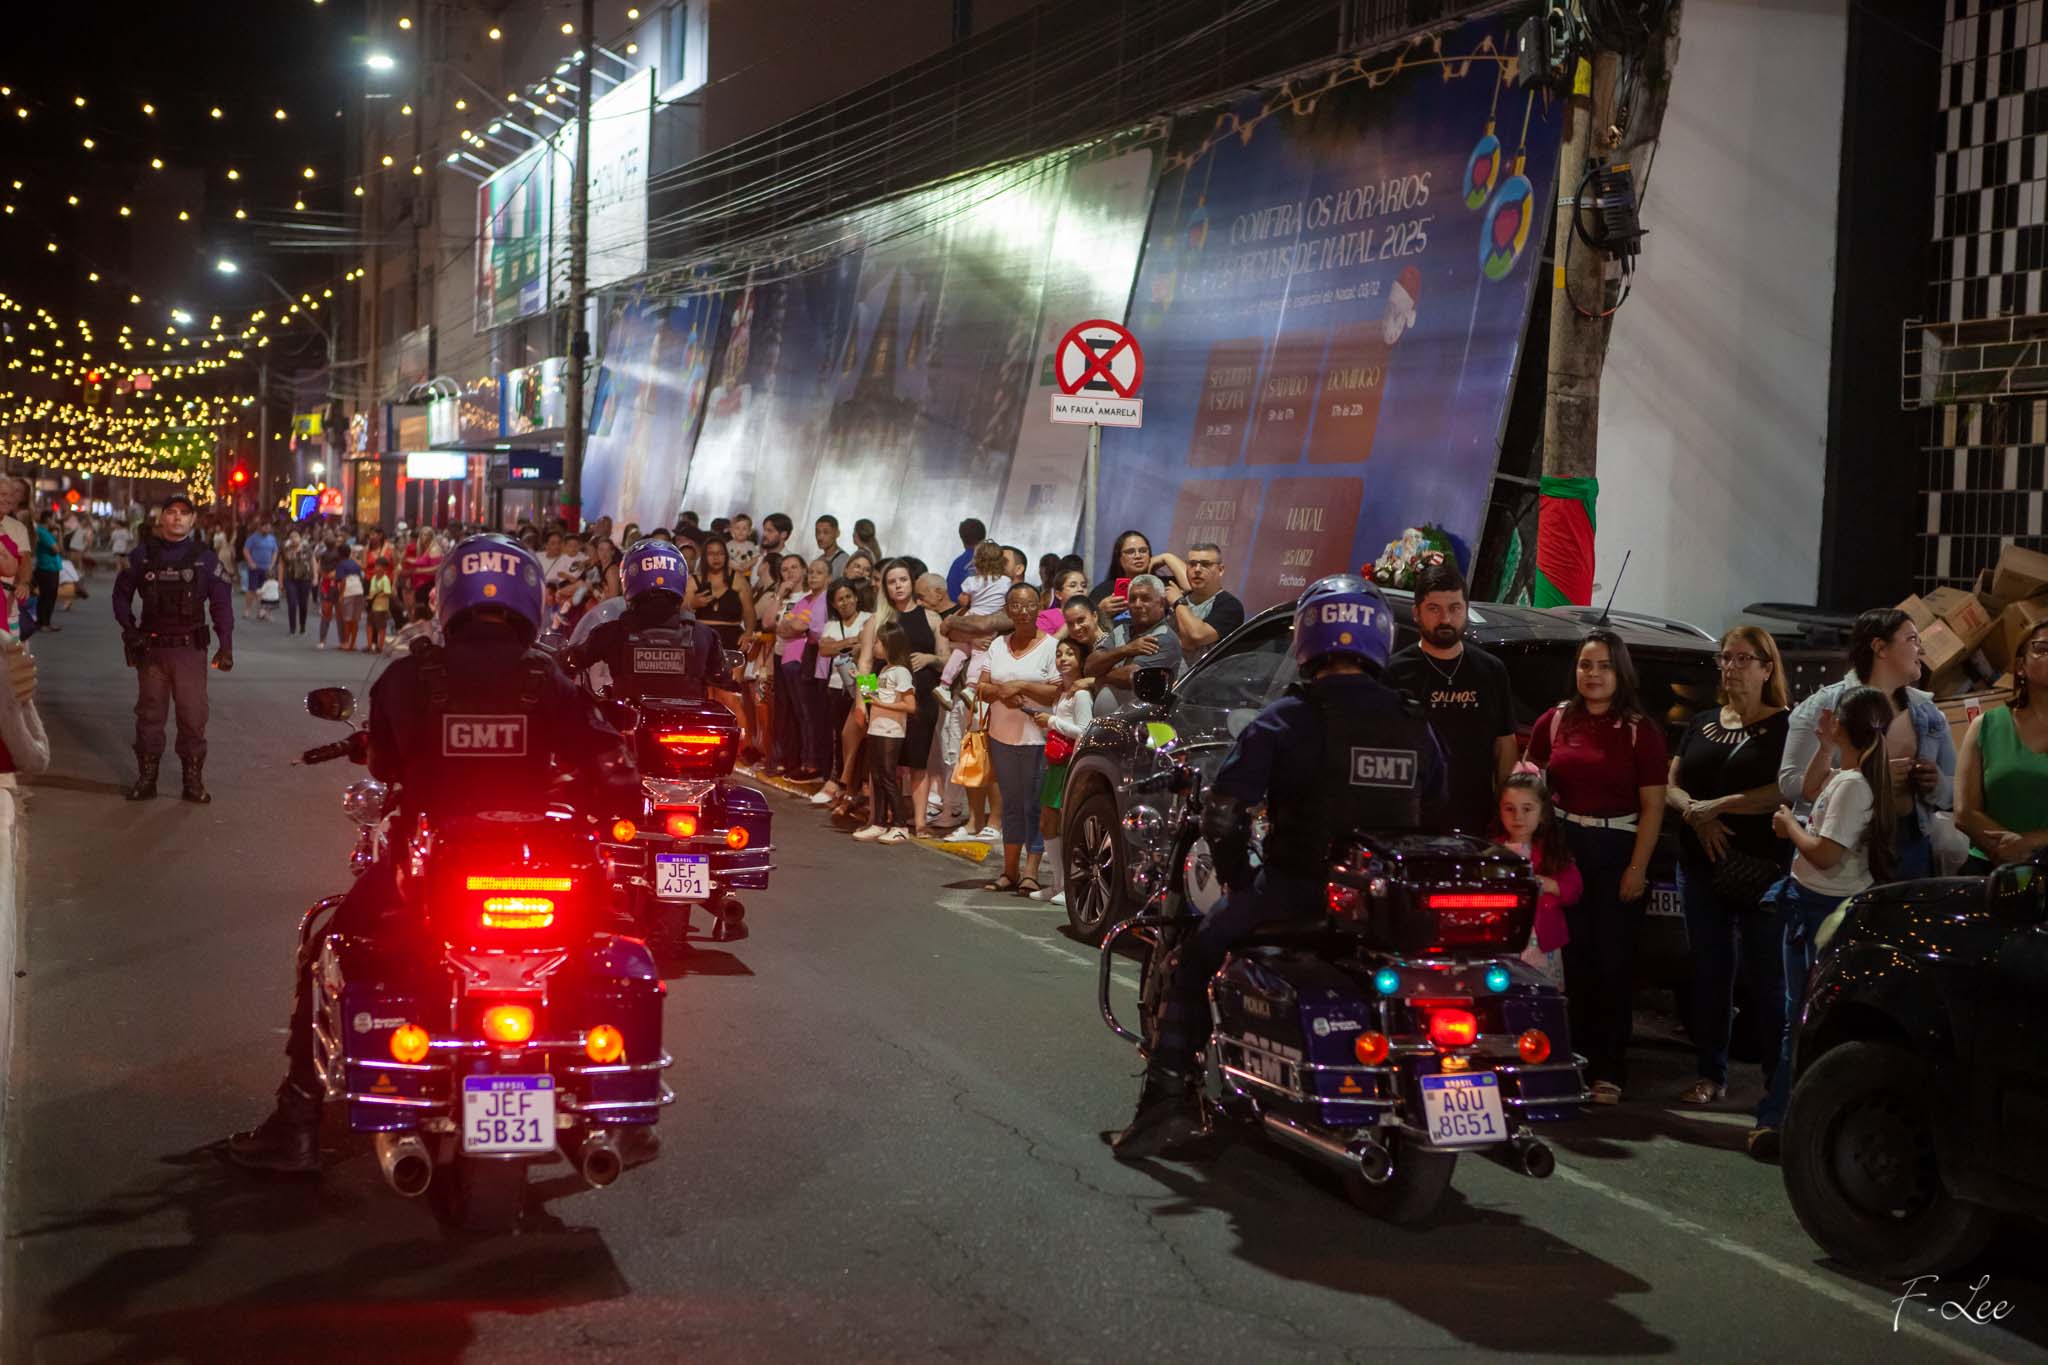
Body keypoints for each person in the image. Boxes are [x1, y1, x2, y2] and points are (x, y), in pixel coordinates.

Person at [228, 535, 637, 1172]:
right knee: (611, 945)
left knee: (326, 940)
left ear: (448, 597)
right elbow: (610, 764)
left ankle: (299, 1121)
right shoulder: (550, 679)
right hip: (542, 873)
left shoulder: (411, 676)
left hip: (425, 867)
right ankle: (621, 1112)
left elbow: (385, 764)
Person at [1114, 574, 1448, 1158]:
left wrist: (1240, 882)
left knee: (1197, 953)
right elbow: (1440, 802)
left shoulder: (1289, 717)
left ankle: (1166, 1103)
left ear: (1307, 638)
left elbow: (1223, 815)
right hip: (1387, 902)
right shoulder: (1412, 719)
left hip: (1300, 888)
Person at [1750, 686, 1897, 1161]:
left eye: (1834, 718)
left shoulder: (1855, 786)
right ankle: (1784, 1114)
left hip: (1824, 910)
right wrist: (1824, 745)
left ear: (1847, 726)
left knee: (1801, 1019)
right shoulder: (1846, 775)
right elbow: (1811, 789)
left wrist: (1789, 827)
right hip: (1808, 901)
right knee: (1796, 1014)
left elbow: (1827, 854)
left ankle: (1782, 1119)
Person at [1524, 629, 1669, 1105]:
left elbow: (1653, 807)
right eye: (1586, 665)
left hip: (1617, 851)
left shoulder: (1640, 732)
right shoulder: (1555, 720)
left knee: (1612, 963)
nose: (1593, 674)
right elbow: (1526, 785)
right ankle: (1571, 1063)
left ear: (1621, 672)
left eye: (1604, 666)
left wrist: (1637, 868)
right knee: (1571, 961)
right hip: (1565, 851)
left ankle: (1609, 1069)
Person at [1664, 626, 1792, 1105]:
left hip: (1761, 870)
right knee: (1709, 974)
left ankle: (1777, 1085)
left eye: (1743, 659)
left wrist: (1718, 806)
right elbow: (1672, 784)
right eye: (1725, 658)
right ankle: (1710, 1074)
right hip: (1700, 868)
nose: (1731, 668)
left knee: (1766, 980)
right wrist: (1697, 816)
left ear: (1766, 668)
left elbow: (1783, 791)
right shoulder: (1701, 722)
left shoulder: (1785, 727)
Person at [1778, 608, 1950, 878]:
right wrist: (1870, 777)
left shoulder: (1929, 715)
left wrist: (1936, 783)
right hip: (1842, 846)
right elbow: (1790, 783)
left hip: (1910, 844)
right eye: (1912, 639)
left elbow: (1954, 791)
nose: (1922, 649)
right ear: (1880, 647)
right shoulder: (1824, 707)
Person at [112, 494, 235, 802]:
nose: (177, 517)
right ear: (161, 517)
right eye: (171, 512)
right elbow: (120, 594)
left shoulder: (205, 559)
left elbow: (222, 603)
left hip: (189, 651)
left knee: (193, 717)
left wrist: (226, 645)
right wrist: (129, 628)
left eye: (184, 513)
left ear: (192, 520)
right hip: (152, 650)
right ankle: (147, 779)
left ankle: (192, 782)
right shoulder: (142, 555)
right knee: (149, 716)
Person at [1384, 561, 1517, 834]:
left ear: (1466, 609)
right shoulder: (1393, 673)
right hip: (1411, 824)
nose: (1445, 619)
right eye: (1434, 608)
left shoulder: (1491, 671)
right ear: (1417, 613)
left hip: (1477, 825)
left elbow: (1505, 746)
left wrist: (1506, 814)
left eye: (1455, 608)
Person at [975, 583, 1062, 893]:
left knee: (1035, 805)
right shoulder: (998, 645)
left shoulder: (1051, 646)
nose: (1023, 611)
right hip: (1001, 736)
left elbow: (1057, 691)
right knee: (1010, 803)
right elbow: (981, 687)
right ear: (1007, 610)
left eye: (1029, 605)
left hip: (1038, 738)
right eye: (1016, 605)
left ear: (1039, 607)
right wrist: (1002, 692)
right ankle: (1009, 870)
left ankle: (1031, 871)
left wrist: (1021, 686)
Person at [563, 538, 725, 698]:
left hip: (627, 715)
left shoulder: (612, 632)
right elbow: (723, 678)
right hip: (687, 715)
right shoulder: (704, 635)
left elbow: (571, 661)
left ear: (630, 576)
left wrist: (556, 658)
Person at [859, 564, 951, 837]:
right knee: (881, 760)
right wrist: (864, 699)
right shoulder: (877, 620)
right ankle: (878, 818)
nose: (898, 585)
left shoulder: (931, 617)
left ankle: (919, 821)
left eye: (903, 580)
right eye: (891, 581)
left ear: (912, 583)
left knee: (917, 760)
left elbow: (947, 658)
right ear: (884, 587)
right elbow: (865, 662)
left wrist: (931, 658)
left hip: (921, 697)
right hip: (884, 698)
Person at [1955, 617, 2048, 868]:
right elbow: (1965, 812)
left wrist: (2028, 843)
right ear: (2021, 666)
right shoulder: (1986, 726)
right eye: (2042, 648)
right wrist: (2008, 849)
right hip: (1993, 866)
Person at [1496, 768, 1579, 984]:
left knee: (1541, 991)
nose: (1518, 817)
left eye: (1527, 809)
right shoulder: (1492, 852)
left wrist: (1551, 885)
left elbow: (1574, 888)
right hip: (1501, 939)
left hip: (1541, 945)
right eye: (1509, 809)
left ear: (1542, 813)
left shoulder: (1552, 852)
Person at [1034, 637, 1095, 905]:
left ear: (1081, 661)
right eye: (1059, 654)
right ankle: (1058, 883)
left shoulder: (1081, 695)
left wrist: (1052, 721)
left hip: (1071, 763)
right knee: (1048, 822)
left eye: (1070, 654)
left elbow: (1084, 730)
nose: (1063, 659)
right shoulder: (1061, 692)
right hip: (1056, 762)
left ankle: (1069, 886)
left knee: (1064, 823)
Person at [853, 623, 917, 844]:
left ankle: (900, 825)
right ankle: (879, 822)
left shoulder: (901, 672)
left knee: (888, 777)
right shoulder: (884, 669)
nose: (875, 646)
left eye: (878, 642)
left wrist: (880, 703)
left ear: (890, 644)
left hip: (891, 730)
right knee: (877, 776)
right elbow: (873, 696)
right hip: (876, 728)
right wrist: (861, 679)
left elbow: (910, 705)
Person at [814, 578, 873, 815]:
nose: (845, 602)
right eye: (840, 599)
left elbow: (866, 646)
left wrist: (839, 644)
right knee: (843, 738)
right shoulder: (832, 624)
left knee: (867, 738)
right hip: (838, 685)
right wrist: (852, 641)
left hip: (867, 682)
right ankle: (845, 787)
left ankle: (864, 788)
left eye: (848, 596)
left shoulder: (868, 618)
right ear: (833, 604)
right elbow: (823, 649)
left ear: (856, 597)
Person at [1083, 574, 1184, 712]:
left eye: (1145, 599)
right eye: (1132, 599)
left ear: (1161, 603)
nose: (1137, 604)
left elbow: (1132, 676)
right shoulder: (1120, 630)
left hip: (1142, 721)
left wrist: (1101, 676)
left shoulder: (1164, 637)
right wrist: (1126, 649)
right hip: (1107, 720)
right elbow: (1090, 667)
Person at [934, 541, 1011, 709]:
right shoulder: (1005, 582)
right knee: (979, 655)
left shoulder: (971, 581)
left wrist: (969, 600)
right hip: (988, 621)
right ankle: (970, 687)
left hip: (970, 617)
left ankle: (944, 684)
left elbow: (962, 600)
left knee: (960, 652)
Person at [1152, 542, 1245, 661]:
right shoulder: (1175, 597)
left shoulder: (1230, 605)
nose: (1197, 570)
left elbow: (1196, 636)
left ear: (1220, 570)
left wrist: (1178, 602)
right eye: (1192, 564)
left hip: (1202, 673)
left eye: (1205, 564)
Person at [1088, 529, 1154, 615]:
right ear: (1119, 558)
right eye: (1130, 552)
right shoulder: (1103, 592)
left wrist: (1166, 558)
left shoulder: (1161, 586)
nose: (1138, 556)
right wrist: (1100, 611)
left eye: (1143, 551)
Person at [30, 511, 63, 635]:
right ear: (48, 519)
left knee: (51, 596)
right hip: (46, 568)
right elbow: (56, 549)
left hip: (52, 567)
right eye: (53, 519)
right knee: (46, 597)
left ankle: (47, 622)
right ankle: (42, 623)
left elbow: (60, 548)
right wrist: (58, 533)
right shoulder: (42, 532)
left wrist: (59, 532)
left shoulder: (47, 533)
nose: (55, 522)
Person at [240, 520, 278, 622]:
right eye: (265, 526)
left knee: (265, 591)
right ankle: (247, 609)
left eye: (269, 527)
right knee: (252, 589)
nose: (267, 528)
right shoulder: (253, 538)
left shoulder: (272, 539)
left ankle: (262, 611)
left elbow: (275, 551)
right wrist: (250, 562)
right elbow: (246, 550)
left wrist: (272, 564)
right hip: (255, 567)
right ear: (260, 527)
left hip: (267, 569)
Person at [280, 528, 315, 636]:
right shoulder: (285, 548)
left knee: (303, 604)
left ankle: (302, 627)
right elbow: (281, 565)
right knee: (292, 603)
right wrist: (280, 582)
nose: (293, 539)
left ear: (300, 537)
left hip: (305, 579)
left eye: (296, 536)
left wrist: (315, 577)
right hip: (290, 579)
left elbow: (313, 561)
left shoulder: (306, 548)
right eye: (291, 537)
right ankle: (292, 628)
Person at [1038, 568, 1088, 636]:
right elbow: (1042, 642)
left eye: (1084, 586)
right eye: (1072, 586)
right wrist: (1063, 632)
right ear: (1058, 594)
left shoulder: (1092, 615)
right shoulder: (1047, 617)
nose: (1080, 589)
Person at [947, 517, 987, 599]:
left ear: (962, 539)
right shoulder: (995, 559)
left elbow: (952, 595)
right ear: (984, 537)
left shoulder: (958, 564)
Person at [365, 558, 394, 653]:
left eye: (379, 566)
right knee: (369, 625)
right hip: (372, 606)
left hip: (381, 607)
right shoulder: (373, 578)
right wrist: (370, 597)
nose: (377, 568)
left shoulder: (385, 579)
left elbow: (388, 593)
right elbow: (371, 591)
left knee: (381, 627)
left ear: (384, 568)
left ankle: (380, 647)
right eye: (376, 566)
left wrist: (377, 595)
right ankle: (369, 645)